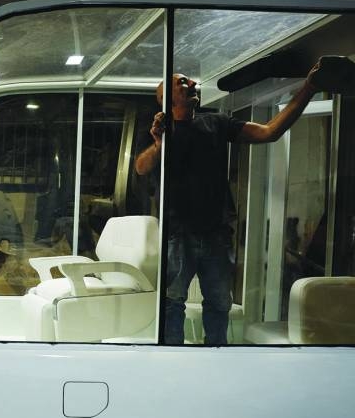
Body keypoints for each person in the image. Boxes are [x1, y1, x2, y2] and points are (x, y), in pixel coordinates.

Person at [134, 63, 321, 345]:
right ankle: (170, 360)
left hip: (216, 234)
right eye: (183, 82)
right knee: (172, 302)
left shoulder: (217, 123)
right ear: (165, 98)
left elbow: (270, 132)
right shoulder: (161, 132)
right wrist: (160, 144)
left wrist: (309, 88)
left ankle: (216, 357)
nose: (193, 83)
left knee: (219, 303)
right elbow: (140, 167)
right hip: (178, 234)